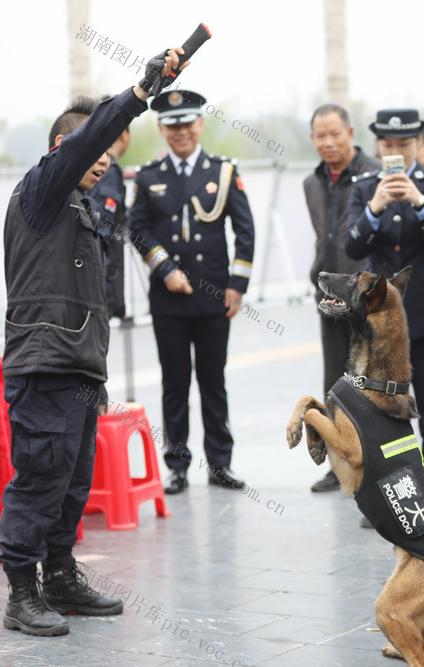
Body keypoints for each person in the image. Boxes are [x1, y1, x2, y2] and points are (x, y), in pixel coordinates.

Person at [0, 47, 187, 637]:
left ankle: (60, 576)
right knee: (39, 478)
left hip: (80, 368)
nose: (104, 160)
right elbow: (88, 139)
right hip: (43, 364)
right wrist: (139, 92)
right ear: (62, 150)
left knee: (73, 480)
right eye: (95, 149)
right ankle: (21, 594)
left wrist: (98, 373)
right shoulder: (43, 191)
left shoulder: (82, 206)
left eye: (110, 153)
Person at [128, 89, 255, 495]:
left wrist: (237, 286)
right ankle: (177, 465)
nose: (180, 131)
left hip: (214, 295)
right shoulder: (148, 176)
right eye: (172, 124)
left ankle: (220, 464)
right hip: (168, 299)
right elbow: (137, 228)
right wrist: (164, 269)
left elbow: (245, 230)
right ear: (161, 128)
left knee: (214, 383)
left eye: (187, 123)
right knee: (174, 383)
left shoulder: (223, 171)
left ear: (199, 124)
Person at [344, 108, 424, 503]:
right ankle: (389, 494)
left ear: (418, 145)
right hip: (378, 321)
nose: (395, 151)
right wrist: (374, 209)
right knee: (380, 409)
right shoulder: (364, 188)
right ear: (379, 146)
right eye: (388, 145)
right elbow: (352, 247)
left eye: (404, 145)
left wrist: (421, 203)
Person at [303, 103, 380, 493]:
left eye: (335, 134)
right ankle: (338, 463)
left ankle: (376, 461)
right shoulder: (311, 183)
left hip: (368, 297)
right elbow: (324, 237)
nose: (328, 142)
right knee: (335, 379)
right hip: (331, 296)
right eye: (320, 135)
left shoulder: (373, 174)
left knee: (372, 380)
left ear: (350, 133)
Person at [89, 107, 131, 319]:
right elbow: (102, 232)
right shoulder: (109, 171)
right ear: (124, 134)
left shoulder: (88, 167)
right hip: (101, 294)